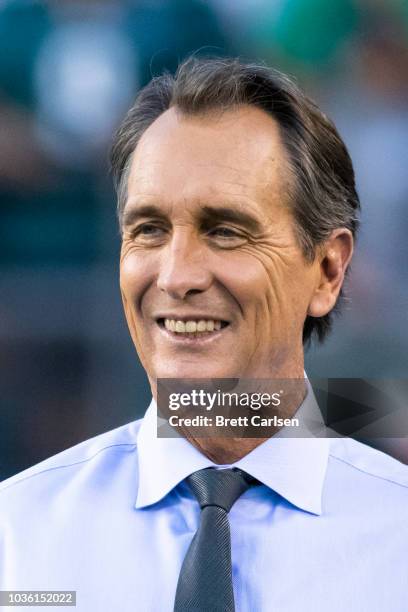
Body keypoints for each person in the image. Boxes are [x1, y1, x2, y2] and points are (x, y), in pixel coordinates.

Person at [1, 56, 407, 612]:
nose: (176, 276)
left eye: (226, 231)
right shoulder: (16, 539)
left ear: (328, 271)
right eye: (148, 230)